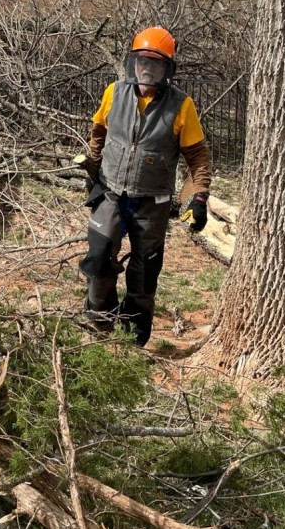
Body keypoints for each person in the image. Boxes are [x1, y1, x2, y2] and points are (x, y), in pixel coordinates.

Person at [75, 26, 212, 345]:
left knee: (145, 269)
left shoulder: (181, 106)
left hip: (153, 202)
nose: (147, 68)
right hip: (110, 192)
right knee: (97, 257)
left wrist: (198, 197)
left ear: (167, 68)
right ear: (132, 62)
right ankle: (99, 321)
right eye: (142, 61)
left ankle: (133, 336)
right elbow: (98, 134)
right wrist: (92, 174)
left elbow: (198, 159)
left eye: (155, 62)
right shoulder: (114, 93)